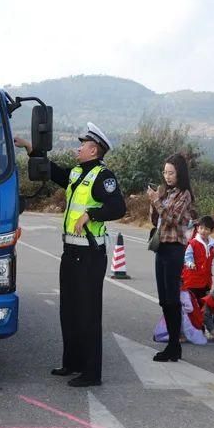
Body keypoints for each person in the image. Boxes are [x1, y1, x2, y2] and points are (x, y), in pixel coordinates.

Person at [15, 122, 125, 387]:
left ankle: (91, 372)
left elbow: (118, 207)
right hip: (71, 251)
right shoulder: (78, 173)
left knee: (88, 314)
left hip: (90, 254)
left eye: (82, 145)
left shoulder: (102, 176)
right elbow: (54, 173)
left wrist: (92, 214)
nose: (78, 148)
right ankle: (72, 362)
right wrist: (31, 149)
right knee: (70, 311)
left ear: (94, 150)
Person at [147, 153, 195, 363]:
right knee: (164, 299)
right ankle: (172, 345)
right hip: (162, 247)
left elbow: (173, 219)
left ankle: (174, 345)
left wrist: (157, 201)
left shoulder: (184, 195)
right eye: (165, 172)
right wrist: (154, 202)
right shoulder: (166, 193)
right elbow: (155, 220)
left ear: (180, 173)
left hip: (175, 249)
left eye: (171, 172)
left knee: (172, 299)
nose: (167, 176)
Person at [182, 215, 214, 301]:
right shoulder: (193, 243)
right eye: (201, 228)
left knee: (202, 304)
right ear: (197, 228)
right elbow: (187, 256)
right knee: (192, 305)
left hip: (205, 282)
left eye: (206, 229)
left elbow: (210, 261)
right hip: (192, 280)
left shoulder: (212, 245)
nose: (203, 231)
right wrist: (190, 263)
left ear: (211, 231)